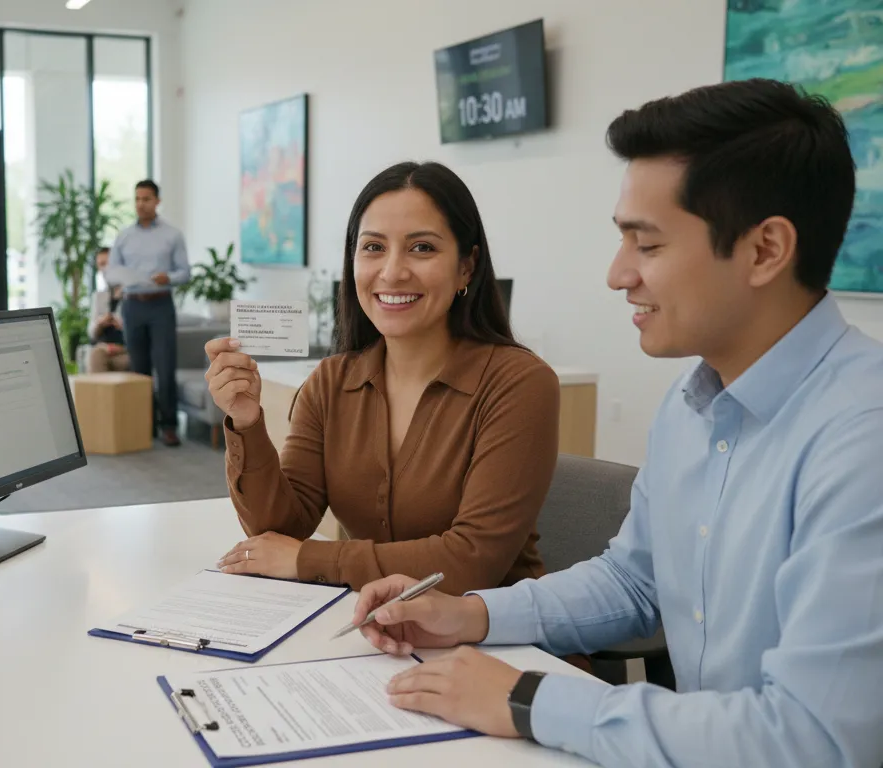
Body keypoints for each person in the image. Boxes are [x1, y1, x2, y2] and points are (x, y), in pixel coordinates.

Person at [351, 79, 883, 768]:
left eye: (647, 245)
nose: (616, 274)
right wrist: (468, 614)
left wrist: (528, 700)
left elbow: (812, 740)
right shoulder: (693, 403)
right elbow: (634, 583)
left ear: (765, 250)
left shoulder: (860, 438)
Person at [209, 161, 560, 594]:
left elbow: (472, 561)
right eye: (373, 247)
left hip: (493, 640)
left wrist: (308, 559)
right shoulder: (332, 381)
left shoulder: (519, 384)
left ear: (467, 267)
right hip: (374, 631)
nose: (392, 272)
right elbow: (281, 530)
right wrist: (245, 420)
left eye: (422, 248)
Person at [105, 179, 189, 446]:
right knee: (138, 369)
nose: (141, 204)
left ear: (157, 201)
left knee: (165, 366)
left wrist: (170, 278)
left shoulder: (172, 235)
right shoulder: (124, 236)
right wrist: (118, 279)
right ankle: (145, 424)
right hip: (133, 306)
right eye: (137, 199)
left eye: (147, 199)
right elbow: (110, 272)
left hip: (160, 304)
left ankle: (169, 426)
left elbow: (185, 272)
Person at [87, 247, 129, 373]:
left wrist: (121, 325)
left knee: (97, 354)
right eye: (101, 265)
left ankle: (97, 393)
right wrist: (100, 323)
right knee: (98, 353)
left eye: (108, 263)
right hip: (104, 347)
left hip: (125, 347)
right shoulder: (99, 296)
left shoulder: (133, 294)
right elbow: (90, 333)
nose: (105, 268)